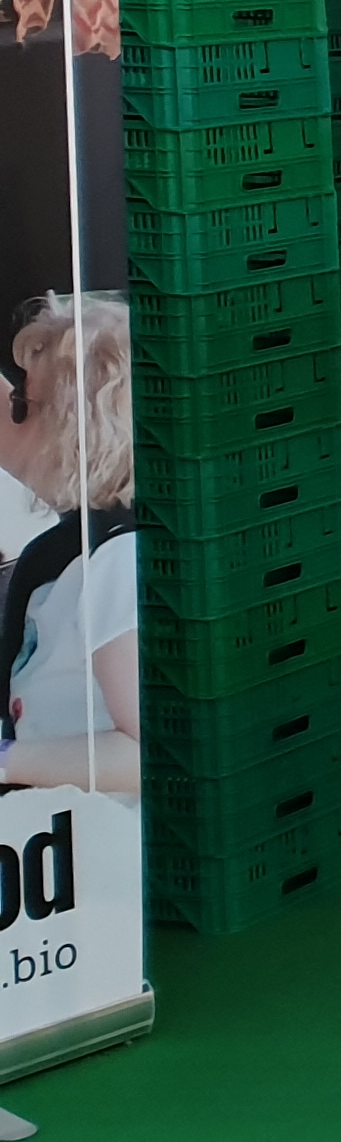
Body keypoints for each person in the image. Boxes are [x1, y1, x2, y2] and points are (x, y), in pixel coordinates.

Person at [0, 292, 138, 801]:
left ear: (73, 433)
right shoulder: (82, 545)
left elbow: (149, 755)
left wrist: (9, 763)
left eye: (25, 406)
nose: (12, 421)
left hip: (92, 841)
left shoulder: (117, 563)